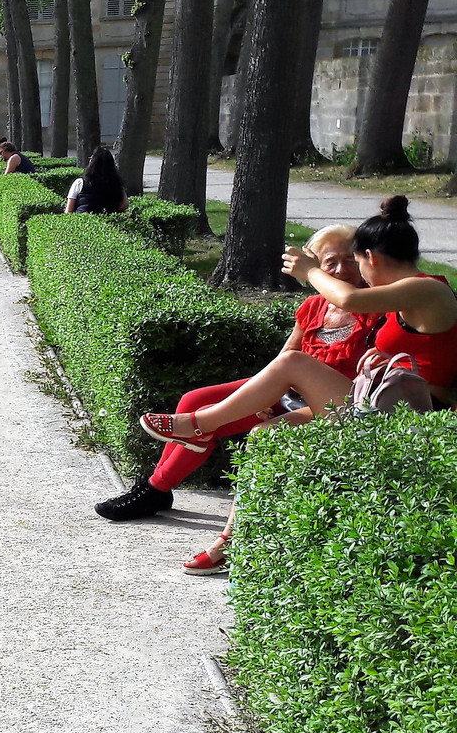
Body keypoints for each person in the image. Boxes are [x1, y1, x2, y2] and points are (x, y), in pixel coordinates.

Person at [138, 198, 457, 571]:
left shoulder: (428, 289)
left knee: (292, 362)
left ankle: (200, 426)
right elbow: (426, 354)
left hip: (407, 418)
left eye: (357, 263)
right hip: (377, 403)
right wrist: (385, 359)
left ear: (369, 256)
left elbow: (349, 298)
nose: (358, 273)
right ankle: (233, 539)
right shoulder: (408, 298)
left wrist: (309, 271)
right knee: (262, 435)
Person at [95, 225, 379, 569]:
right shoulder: (314, 306)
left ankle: (156, 488)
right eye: (329, 262)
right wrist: (264, 398)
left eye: (349, 260)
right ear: (313, 264)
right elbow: (285, 358)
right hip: (288, 393)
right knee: (192, 401)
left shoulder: (373, 306)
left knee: (204, 423)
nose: (339, 270)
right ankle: (161, 483)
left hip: (326, 405)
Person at [65, 147, 128, 214]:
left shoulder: (80, 182)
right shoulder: (117, 183)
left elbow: (69, 211)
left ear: (92, 162)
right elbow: (125, 204)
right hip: (108, 221)